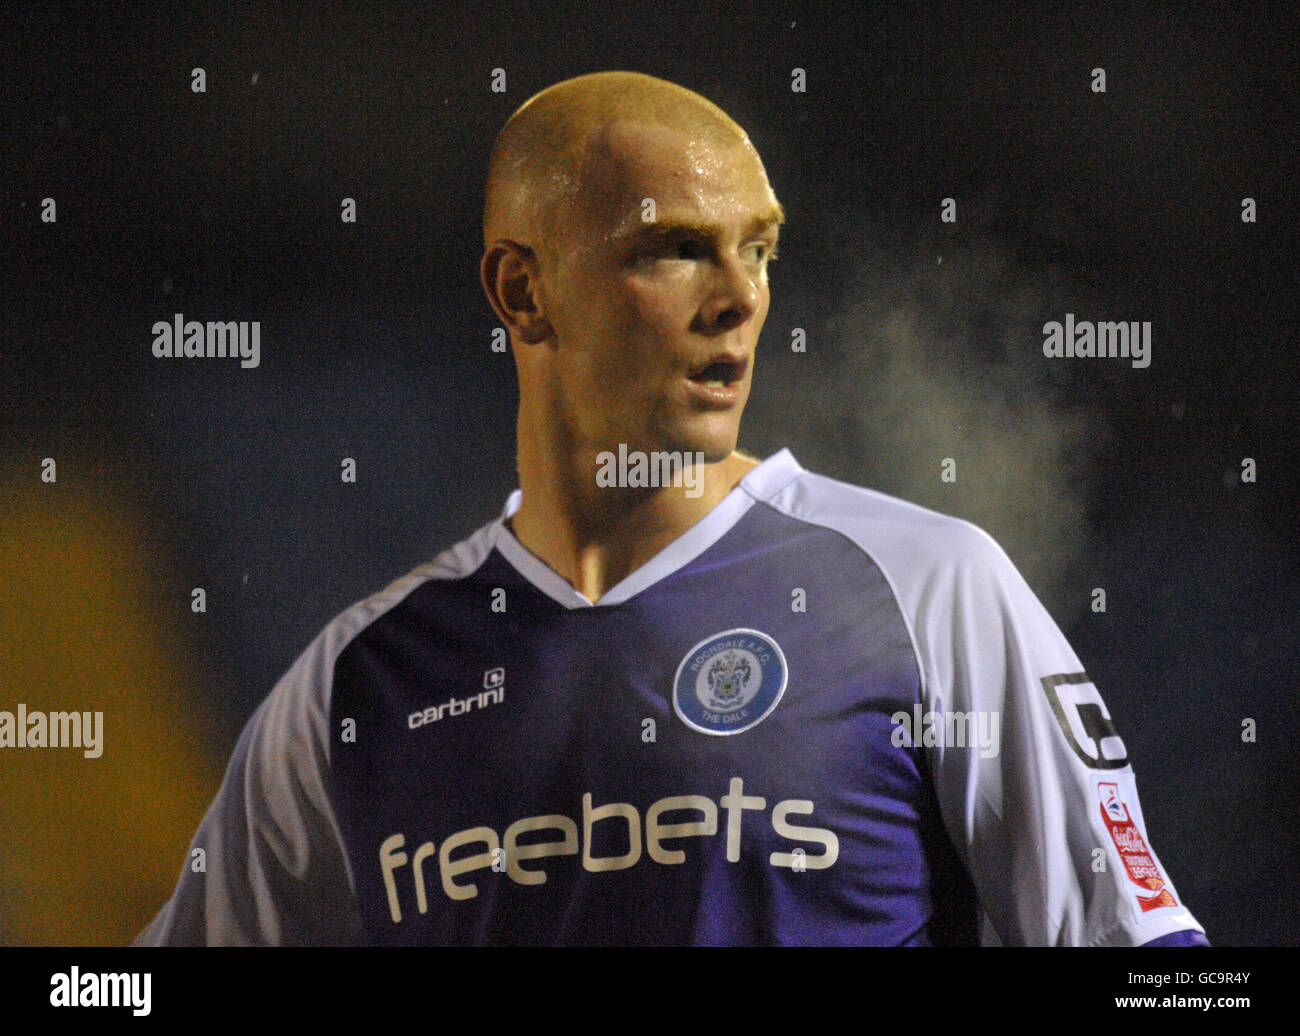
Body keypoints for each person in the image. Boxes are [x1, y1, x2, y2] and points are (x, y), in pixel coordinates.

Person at [135, 70, 1207, 946]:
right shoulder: (353, 681)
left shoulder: (926, 587)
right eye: (678, 247)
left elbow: (1143, 953)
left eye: (759, 247)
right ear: (522, 290)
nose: (740, 295)